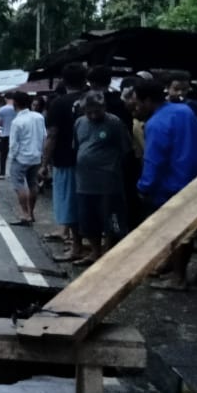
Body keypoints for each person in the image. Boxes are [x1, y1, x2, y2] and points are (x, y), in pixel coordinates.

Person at [133, 79, 197, 289]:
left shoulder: (157, 123)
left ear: (148, 100)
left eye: (138, 102)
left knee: (176, 233)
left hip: (171, 184)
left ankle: (178, 278)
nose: (137, 107)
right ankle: (173, 268)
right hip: (193, 180)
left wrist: (144, 187)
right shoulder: (185, 111)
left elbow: (154, 159)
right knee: (189, 230)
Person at [72, 92, 131, 266]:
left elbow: (126, 150)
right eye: (88, 112)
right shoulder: (79, 123)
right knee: (88, 219)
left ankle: (110, 253)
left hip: (108, 182)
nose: (92, 115)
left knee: (112, 220)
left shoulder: (114, 123)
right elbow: (77, 146)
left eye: (96, 111)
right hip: (84, 182)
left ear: (104, 108)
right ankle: (95, 252)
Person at [41, 63, 87, 260]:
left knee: (70, 204)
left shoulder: (59, 104)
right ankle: (90, 246)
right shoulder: (93, 99)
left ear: (64, 80)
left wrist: (44, 164)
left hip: (65, 159)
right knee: (88, 202)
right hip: (93, 162)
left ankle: (76, 246)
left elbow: (52, 135)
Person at [7, 92, 46, 226]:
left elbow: (13, 144)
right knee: (32, 184)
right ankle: (31, 213)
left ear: (15, 103)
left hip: (21, 157)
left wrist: (11, 158)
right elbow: (44, 136)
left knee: (19, 184)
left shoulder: (17, 121)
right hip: (36, 157)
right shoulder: (38, 117)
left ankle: (25, 213)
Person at [0, 95, 16, 180]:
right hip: (15, 134)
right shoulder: (16, 108)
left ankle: (2, 173)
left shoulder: (1, 109)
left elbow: (0, 122)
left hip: (5, 134)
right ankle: (14, 173)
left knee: (3, 155)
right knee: (15, 154)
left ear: (5, 99)